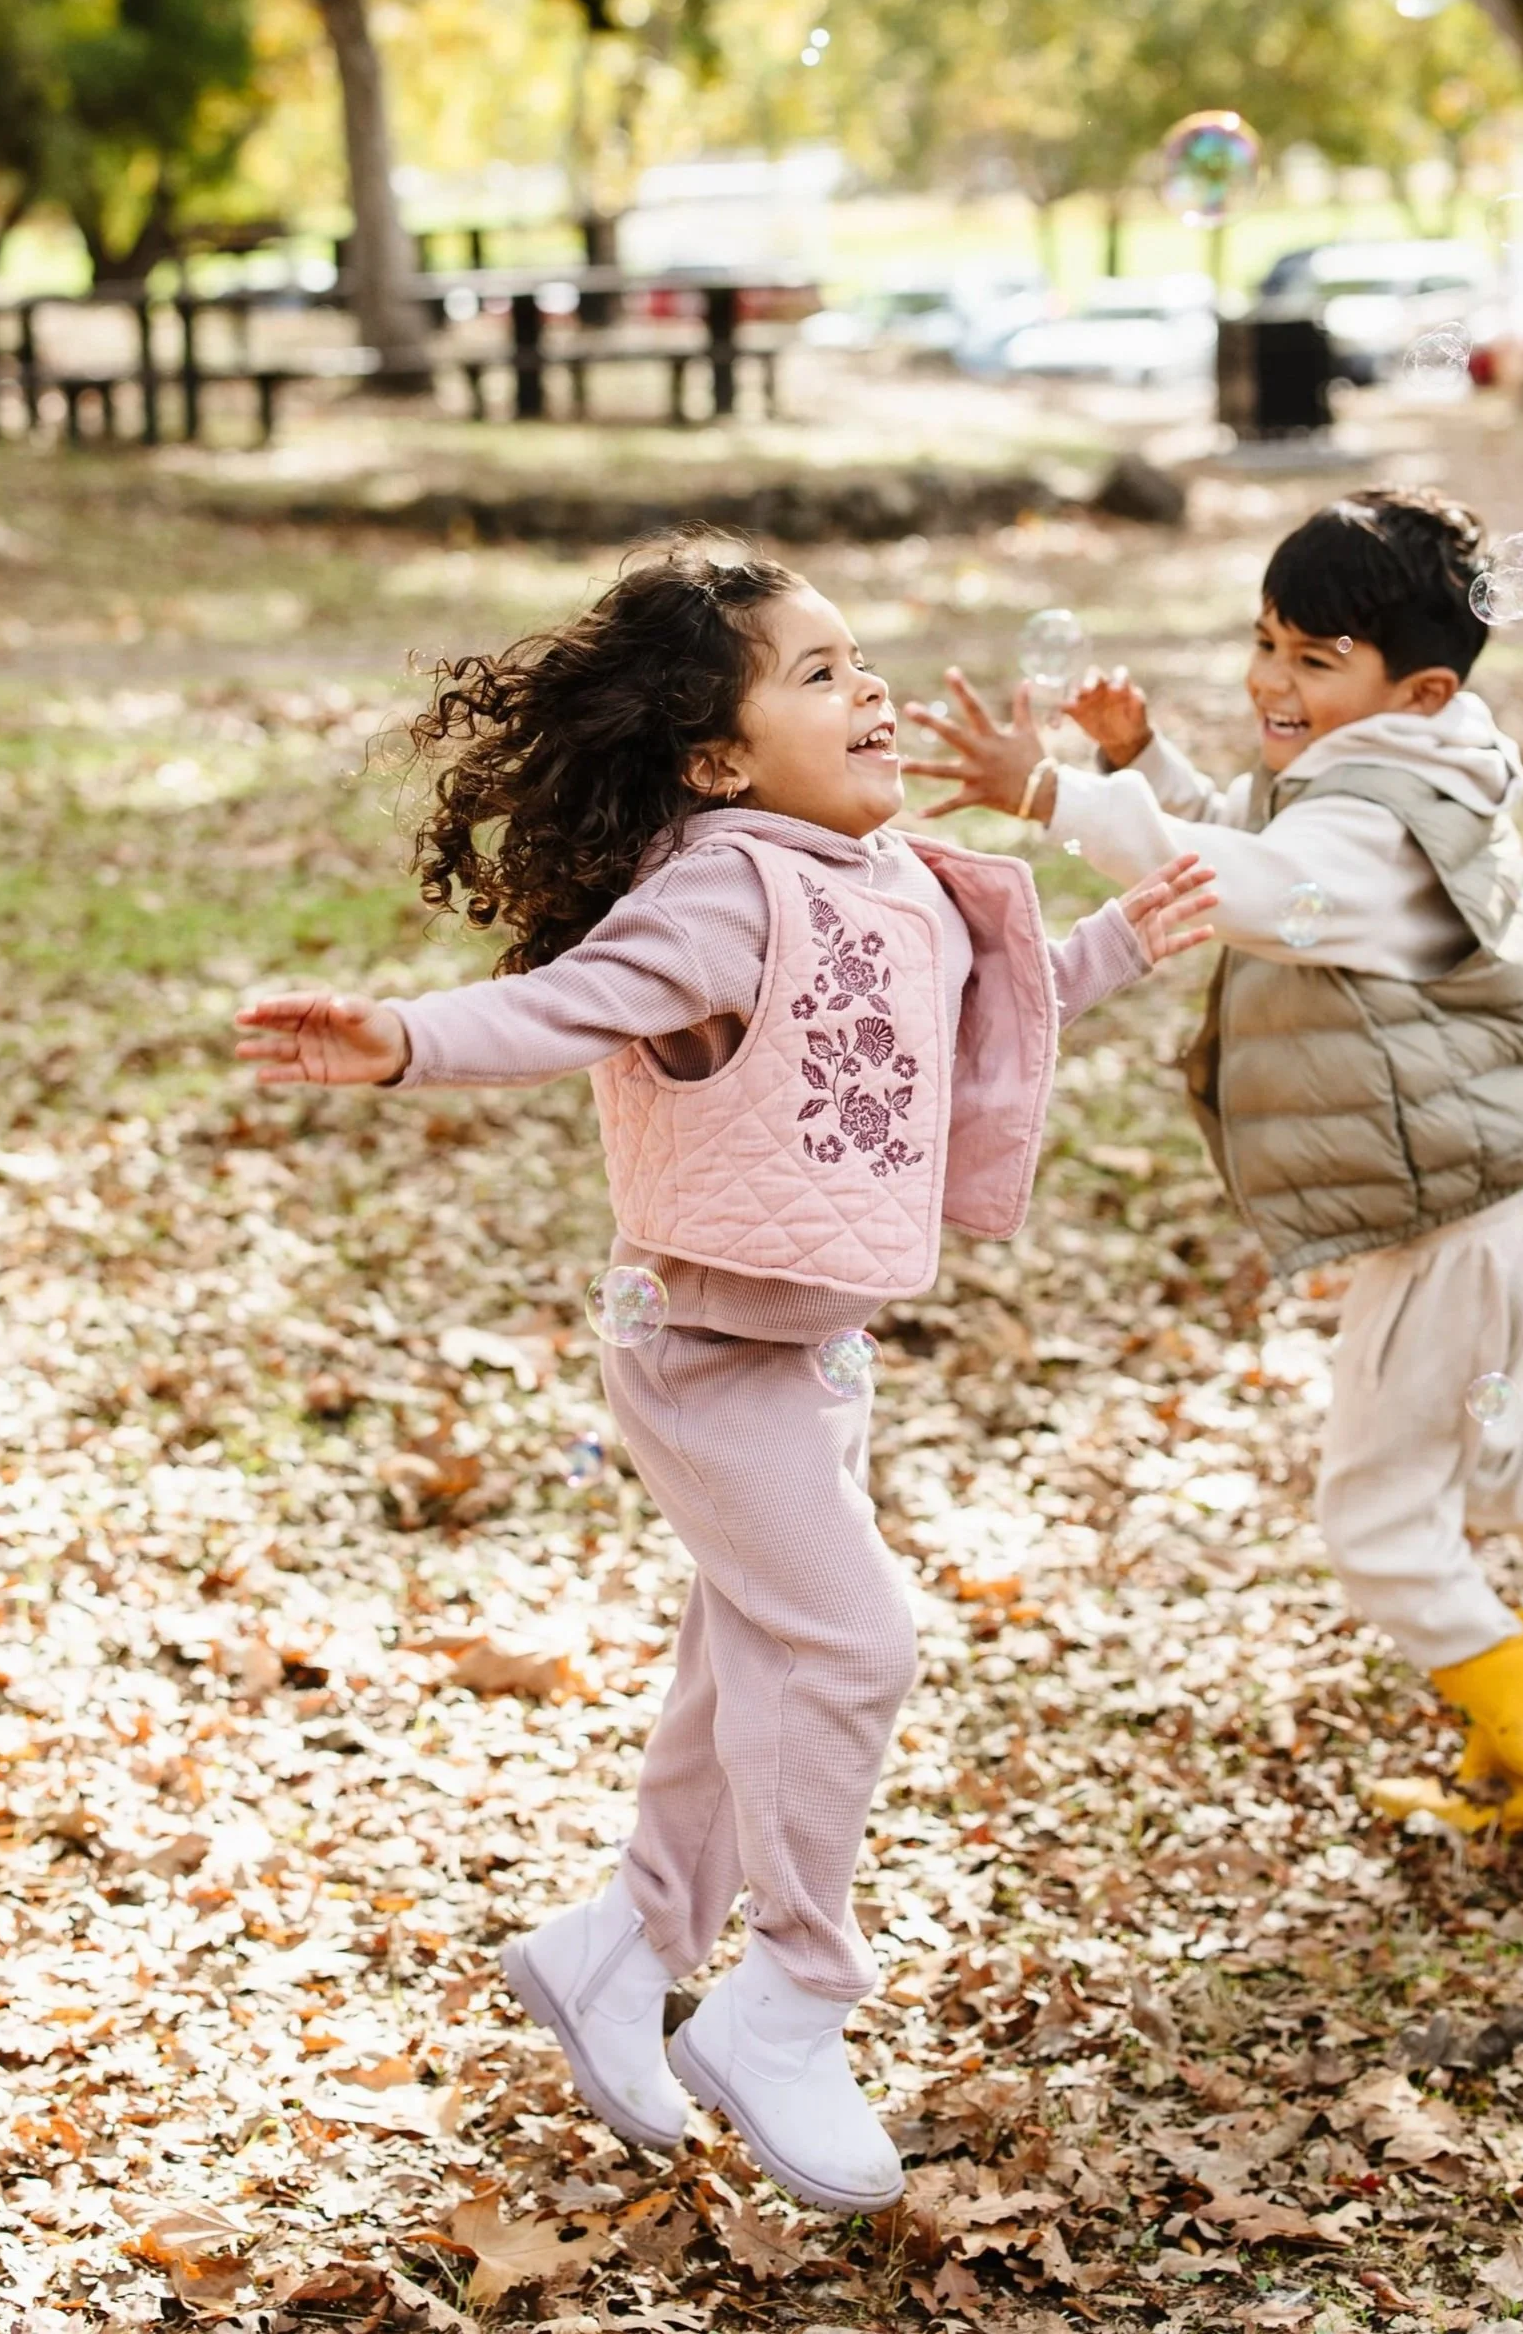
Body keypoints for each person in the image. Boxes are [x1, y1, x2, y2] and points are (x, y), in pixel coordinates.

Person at [234, 533, 1214, 2209]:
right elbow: (575, 1002)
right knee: (852, 1639)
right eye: (818, 672)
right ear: (715, 756)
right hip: (700, 1356)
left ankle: (620, 1946)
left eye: (861, 659)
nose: (870, 689)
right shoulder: (720, 887)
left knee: (737, 1666)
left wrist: (1122, 936)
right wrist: (407, 1040)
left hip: (812, 1351)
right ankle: (789, 1999)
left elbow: (980, 1006)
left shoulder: (891, 875)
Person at [906, 487, 1523, 1839]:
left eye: (1312, 660)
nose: (1270, 680)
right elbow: (1265, 843)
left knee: (1372, 1511)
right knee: (1490, 1459)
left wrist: (1057, 792)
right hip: (1504, 1207)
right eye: (1264, 641)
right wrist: (1150, 762)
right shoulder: (1399, 773)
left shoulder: (1382, 815)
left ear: (1416, 688)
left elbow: (1249, 888)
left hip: (1465, 1225)